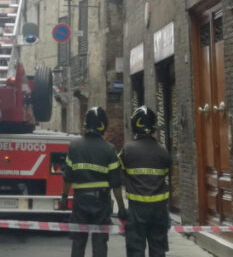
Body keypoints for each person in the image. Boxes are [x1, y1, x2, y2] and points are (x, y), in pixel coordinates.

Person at [62, 107, 127, 257]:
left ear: (85, 124)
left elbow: (67, 177)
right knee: (100, 242)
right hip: (101, 202)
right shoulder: (110, 149)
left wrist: (64, 197)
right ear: (104, 125)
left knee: (78, 241)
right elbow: (116, 183)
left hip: (80, 201)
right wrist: (122, 207)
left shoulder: (74, 147)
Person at [119, 106, 172, 257]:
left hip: (137, 209)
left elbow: (119, 175)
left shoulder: (128, 150)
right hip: (159, 209)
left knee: (136, 250)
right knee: (158, 250)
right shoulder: (163, 151)